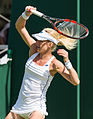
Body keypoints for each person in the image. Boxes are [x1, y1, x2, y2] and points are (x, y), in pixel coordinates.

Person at [5, 6, 80, 119]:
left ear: (50, 44)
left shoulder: (54, 64)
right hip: (19, 107)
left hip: (36, 109)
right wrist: (26, 14)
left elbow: (75, 81)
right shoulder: (34, 49)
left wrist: (67, 61)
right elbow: (20, 27)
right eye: (38, 39)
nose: (38, 42)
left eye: (41, 40)